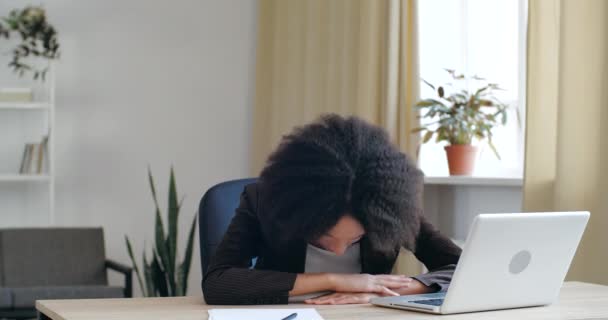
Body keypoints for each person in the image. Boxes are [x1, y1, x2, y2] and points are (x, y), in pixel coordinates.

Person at [202, 114, 461, 305]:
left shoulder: (388, 209)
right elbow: (218, 282)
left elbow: (462, 268)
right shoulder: (262, 201)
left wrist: (381, 291)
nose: (338, 250)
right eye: (324, 237)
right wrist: (333, 280)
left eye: (356, 238)